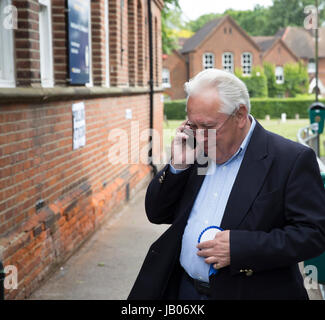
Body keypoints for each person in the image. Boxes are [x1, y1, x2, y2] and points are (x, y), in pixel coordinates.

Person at [128, 69, 325, 300]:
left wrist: (241, 248)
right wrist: (177, 167)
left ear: (240, 115)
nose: (201, 137)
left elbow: (313, 235)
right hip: (185, 290)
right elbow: (157, 213)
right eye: (193, 126)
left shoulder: (290, 159)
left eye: (209, 127)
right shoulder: (194, 151)